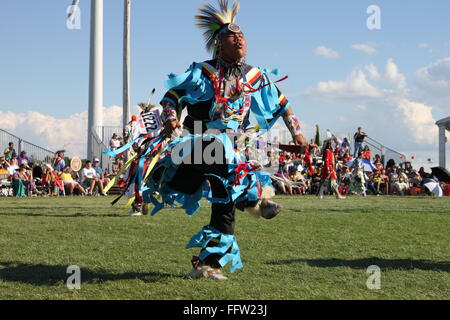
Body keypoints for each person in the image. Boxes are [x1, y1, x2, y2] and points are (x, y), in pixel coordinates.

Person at [137, 0, 307, 281]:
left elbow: (282, 103)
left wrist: (297, 132)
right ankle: (254, 200)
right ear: (219, 43)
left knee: (224, 199)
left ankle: (206, 262)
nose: (239, 39)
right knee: (226, 159)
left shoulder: (254, 76)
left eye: (242, 36)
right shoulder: (202, 72)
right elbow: (172, 97)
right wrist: (171, 118)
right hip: (196, 145)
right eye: (232, 36)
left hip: (227, 154)